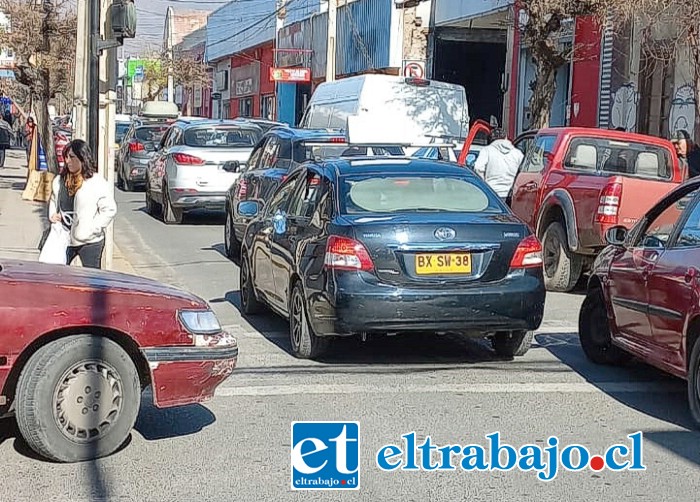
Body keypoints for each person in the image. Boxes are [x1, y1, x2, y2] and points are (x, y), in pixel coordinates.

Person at [48, 139, 117, 268]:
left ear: (82, 158)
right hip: (64, 238)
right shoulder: (59, 181)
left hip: (90, 241)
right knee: (57, 275)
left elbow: (109, 209)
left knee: (91, 281)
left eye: (72, 157)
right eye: (66, 157)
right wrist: (53, 214)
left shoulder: (96, 182)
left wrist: (93, 228)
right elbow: (53, 199)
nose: (67, 161)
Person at [474, 128, 524, 201]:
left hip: (492, 193)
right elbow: (523, 171)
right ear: (506, 138)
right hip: (511, 194)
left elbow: (478, 168)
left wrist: (484, 186)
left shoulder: (487, 151)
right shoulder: (517, 153)